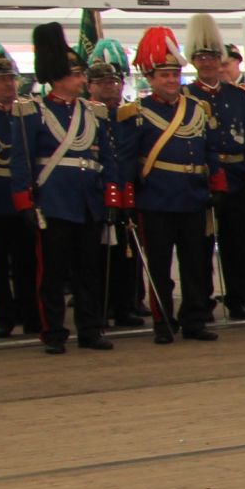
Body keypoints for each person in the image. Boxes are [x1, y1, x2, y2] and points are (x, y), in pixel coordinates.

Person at [9, 24, 115, 353]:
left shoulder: (93, 112)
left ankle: (90, 329)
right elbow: (22, 160)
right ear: (59, 77)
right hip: (53, 202)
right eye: (76, 75)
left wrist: (111, 197)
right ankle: (53, 332)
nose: (82, 80)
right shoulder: (33, 112)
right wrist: (24, 202)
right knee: (52, 273)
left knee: (88, 271)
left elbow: (107, 159)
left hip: (88, 202)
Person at [115, 27, 222, 343]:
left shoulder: (197, 109)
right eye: (164, 75)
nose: (172, 80)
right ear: (150, 78)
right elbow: (126, 162)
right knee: (160, 267)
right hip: (156, 200)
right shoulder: (136, 113)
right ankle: (163, 322)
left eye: (175, 74)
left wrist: (215, 186)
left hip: (193, 198)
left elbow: (210, 151)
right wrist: (126, 200)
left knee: (195, 264)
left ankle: (194, 320)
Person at [186, 17, 245, 320]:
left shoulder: (236, 94)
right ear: (194, 61)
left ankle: (237, 299)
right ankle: (202, 300)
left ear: (221, 60)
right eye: (202, 57)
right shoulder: (187, 96)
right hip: (202, 179)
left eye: (213, 57)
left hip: (236, 176)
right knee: (200, 243)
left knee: (236, 242)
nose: (208, 63)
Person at [84, 50, 143, 331]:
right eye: (102, 82)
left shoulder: (130, 116)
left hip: (128, 191)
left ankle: (126, 305)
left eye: (114, 82)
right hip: (96, 194)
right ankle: (101, 307)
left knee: (128, 253)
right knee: (96, 257)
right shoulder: (85, 115)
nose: (110, 87)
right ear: (90, 86)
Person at [0, 53, 36, 338]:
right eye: (2, 80)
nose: (9, 85)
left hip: (24, 195)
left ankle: (31, 314)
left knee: (28, 260)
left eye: (12, 79)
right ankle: (3, 316)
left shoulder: (27, 112)